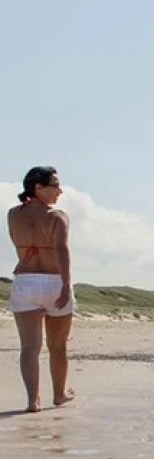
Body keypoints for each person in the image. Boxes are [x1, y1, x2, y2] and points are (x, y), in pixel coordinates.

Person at [8, 166, 74, 412]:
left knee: (29, 348)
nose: (60, 191)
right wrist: (67, 285)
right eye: (55, 185)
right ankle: (59, 394)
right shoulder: (58, 216)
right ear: (37, 187)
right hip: (54, 280)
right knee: (58, 345)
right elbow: (62, 251)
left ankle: (33, 401)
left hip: (26, 281)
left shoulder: (13, 214)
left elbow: (17, 241)